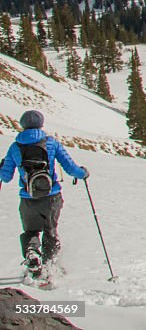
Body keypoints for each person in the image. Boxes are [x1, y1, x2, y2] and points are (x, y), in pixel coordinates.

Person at [0, 110, 89, 279]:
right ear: (41, 124)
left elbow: (5, 176)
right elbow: (70, 167)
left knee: (31, 232)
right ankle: (50, 268)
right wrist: (83, 173)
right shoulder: (51, 143)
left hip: (28, 198)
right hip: (51, 196)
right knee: (50, 231)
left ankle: (32, 254)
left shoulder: (15, 147)